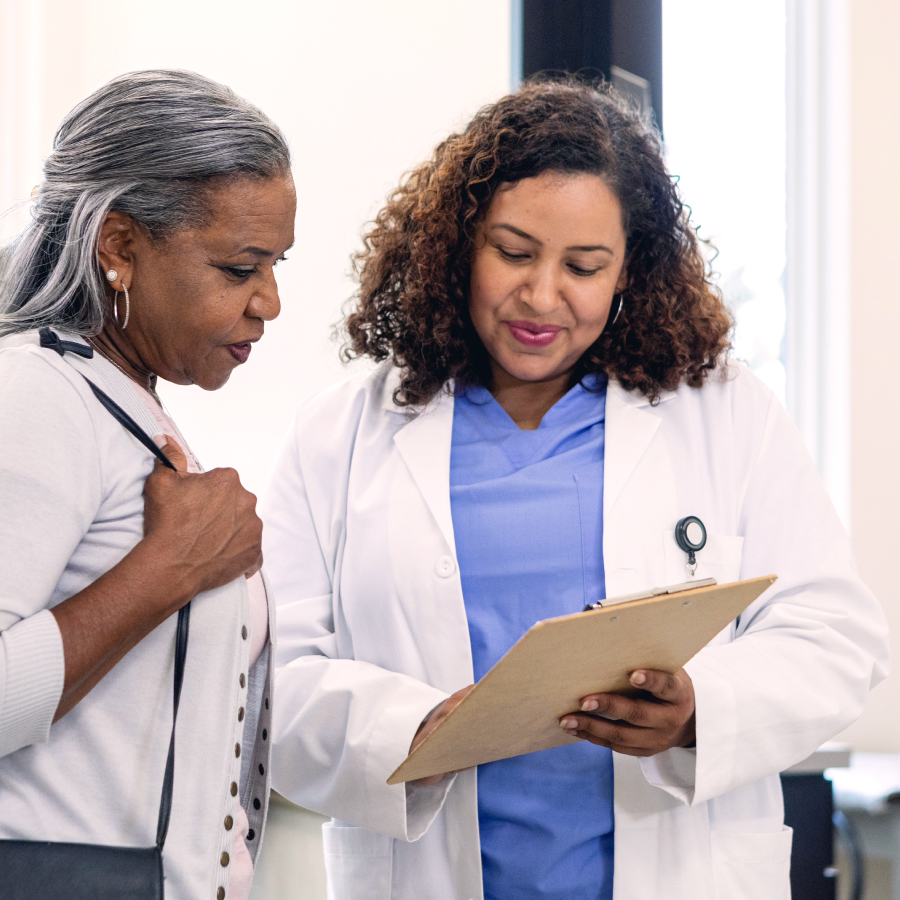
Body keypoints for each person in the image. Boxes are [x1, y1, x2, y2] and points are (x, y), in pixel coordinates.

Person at [263, 80, 888, 900]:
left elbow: (835, 634)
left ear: (631, 270)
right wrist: (409, 729)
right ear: (458, 245)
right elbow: (273, 672)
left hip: (680, 871)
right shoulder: (341, 432)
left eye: (584, 266)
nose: (542, 296)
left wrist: (699, 708)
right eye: (513, 252)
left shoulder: (725, 414)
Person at [0, 70, 295, 900]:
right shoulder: (36, 396)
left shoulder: (121, 403)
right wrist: (168, 572)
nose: (270, 301)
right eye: (240, 267)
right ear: (121, 247)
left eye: (276, 264)